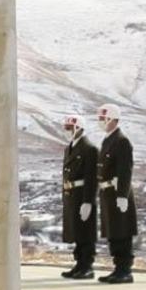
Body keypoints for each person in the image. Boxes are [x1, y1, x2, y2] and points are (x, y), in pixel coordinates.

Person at [96, 103, 138, 284]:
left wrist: (122, 195)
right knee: (113, 232)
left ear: (111, 119)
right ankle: (117, 268)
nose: (100, 122)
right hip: (107, 193)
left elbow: (125, 171)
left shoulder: (122, 141)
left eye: (102, 119)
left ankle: (124, 270)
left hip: (117, 193)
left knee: (122, 231)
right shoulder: (108, 140)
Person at [59, 115, 98, 279]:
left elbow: (92, 177)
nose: (67, 131)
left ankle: (87, 266)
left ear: (78, 128)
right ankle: (79, 264)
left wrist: (88, 201)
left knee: (85, 231)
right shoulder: (70, 148)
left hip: (82, 195)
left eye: (69, 128)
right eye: (66, 128)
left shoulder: (90, 149)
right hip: (71, 195)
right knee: (76, 231)